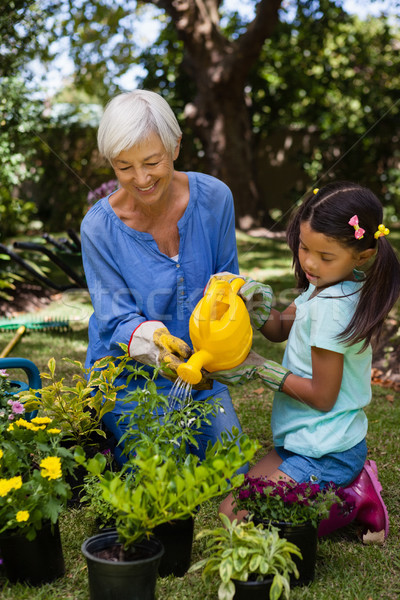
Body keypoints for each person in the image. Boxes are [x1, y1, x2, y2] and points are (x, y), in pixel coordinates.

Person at [208, 181, 400, 540]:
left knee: (244, 521)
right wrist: (258, 307)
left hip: (327, 451)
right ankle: (348, 485)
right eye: (304, 247)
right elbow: (280, 329)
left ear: (363, 255)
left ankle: (354, 499)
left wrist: (261, 369)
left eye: (325, 256)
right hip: (303, 441)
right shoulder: (324, 284)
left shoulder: (333, 311)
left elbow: (322, 396)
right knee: (232, 508)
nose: (309, 263)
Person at [80, 89, 245, 468]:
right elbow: (116, 319)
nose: (140, 179)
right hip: (129, 380)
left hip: (200, 376)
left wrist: (225, 340)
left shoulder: (215, 198)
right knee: (157, 473)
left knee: (233, 470)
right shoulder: (99, 228)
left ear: (175, 147)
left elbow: (227, 283)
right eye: (124, 167)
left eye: (152, 161)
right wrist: (155, 343)